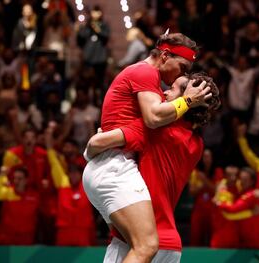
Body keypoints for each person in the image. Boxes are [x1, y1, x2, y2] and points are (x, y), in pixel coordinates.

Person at [82, 32, 210, 263]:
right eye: (182, 67)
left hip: (112, 169)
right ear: (164, 56)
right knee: (147, 244)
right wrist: (189, 101)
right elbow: (153, 116)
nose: (170, 86)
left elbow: (95, 143)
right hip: (116, 172)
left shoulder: (159, 131)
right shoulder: (196, 144)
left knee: (143, 245)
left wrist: (92, 150)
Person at [45, 123, 96, 246]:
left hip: (83, 231)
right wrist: (49, 133)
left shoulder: (87, 183)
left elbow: (94, 154)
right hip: (64, 231)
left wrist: (90, 129)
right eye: (71, 173)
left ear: (81, 174)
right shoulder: (63, 181)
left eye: (76, 173)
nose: (73, 176)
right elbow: (52, 157)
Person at [214, 167, 259, 249]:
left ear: (252, 182)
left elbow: (232, 210)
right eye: (241, 179)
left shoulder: (251, 195)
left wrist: (219, 204)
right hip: (244, 240)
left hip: (258, 241)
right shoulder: (238, 190)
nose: (242, 182)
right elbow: (225, 182)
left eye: (245, 180)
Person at [0, 166, 39, 245]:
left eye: (19, 179)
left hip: (26, 240)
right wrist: (2, 175)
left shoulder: (35, 196)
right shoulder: (7, 192)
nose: (16, 181)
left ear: (26, 180)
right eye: (15, 178)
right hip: (7, 239)